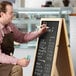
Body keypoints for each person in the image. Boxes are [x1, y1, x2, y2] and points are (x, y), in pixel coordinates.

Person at [0, 1, 48, 76]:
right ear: (2, 14)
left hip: (4, 62)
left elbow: (22, 37)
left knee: (16, 68)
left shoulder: (10, 26)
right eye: (11, 13)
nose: (13, 15)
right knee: (17, 69)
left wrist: (38, 32)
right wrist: (18, 61)